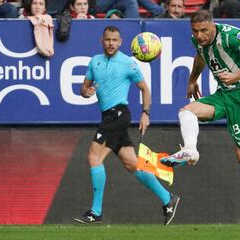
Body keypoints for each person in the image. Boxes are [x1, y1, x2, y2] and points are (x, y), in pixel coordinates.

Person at [160, 9, 240, 230]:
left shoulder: (230, 35)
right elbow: (201, 55)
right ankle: (190, 150)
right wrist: (192, 79)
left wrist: (236, 76)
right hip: (224, 94)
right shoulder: (197, 41)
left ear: (213, 26)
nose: (200, 35)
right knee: (187, 110)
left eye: (204, 30)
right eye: (195, 31)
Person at [73, 26, 180, 226]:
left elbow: (145, 89)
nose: (111, 43)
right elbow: (83, 88)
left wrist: (146, 114)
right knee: (132, 164)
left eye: (114, 40)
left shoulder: (128, 63)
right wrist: (85, 91)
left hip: (118, 115)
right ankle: (168, 199)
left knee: (94, 157)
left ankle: (96, 211)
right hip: (109, 116)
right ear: (101, 41)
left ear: (121, 42)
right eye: (107, 39)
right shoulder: (94, 61)